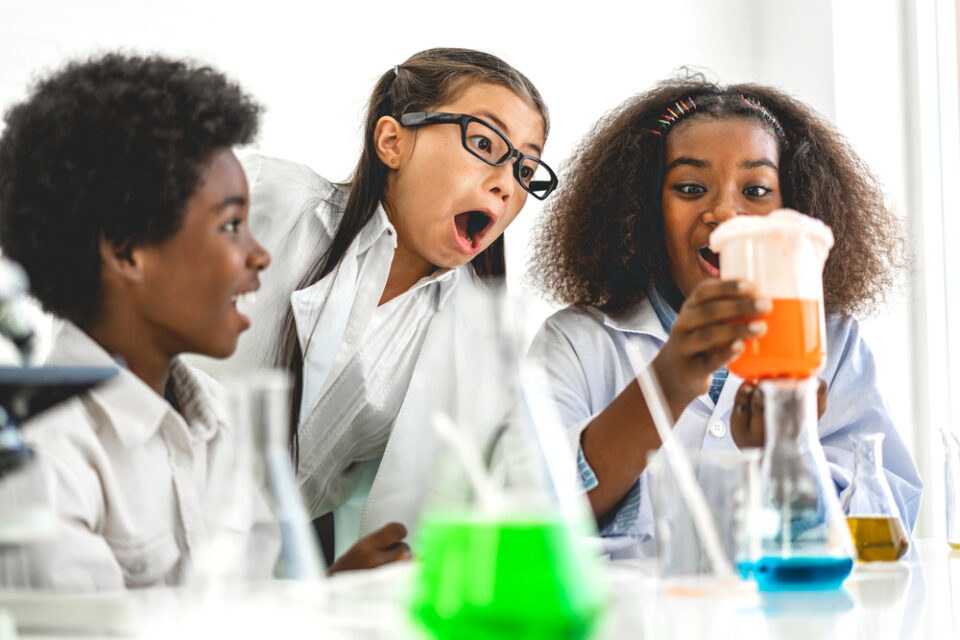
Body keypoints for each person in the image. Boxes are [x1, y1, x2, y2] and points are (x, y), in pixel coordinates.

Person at [0, 54, 406, 591]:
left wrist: (328, 593)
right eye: (231, 225)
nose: (259, 254)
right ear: (128, 251)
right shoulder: (41, 457)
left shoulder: (216, 420)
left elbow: (244, 607)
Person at [529, 76, 923, 545]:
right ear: (645, 210)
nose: (725, 212)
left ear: (793, 208)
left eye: (756, 190)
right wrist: (667, 383)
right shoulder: (578, 343)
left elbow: (885, 528)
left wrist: (785, 457)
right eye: (691, 187)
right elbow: (531, 516)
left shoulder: (834, 346)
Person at [204, 47, 556, 561]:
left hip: (267, 585)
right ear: (392, 141)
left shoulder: (474, 333)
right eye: (484, 142)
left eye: (526, 169)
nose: (506, 184)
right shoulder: (264, 198)